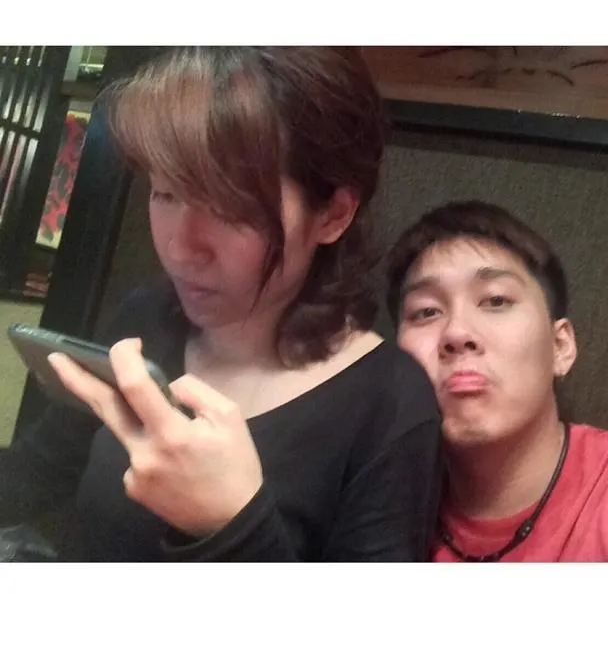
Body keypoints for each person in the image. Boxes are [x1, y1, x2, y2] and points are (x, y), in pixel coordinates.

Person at [0, 47, 443, 562]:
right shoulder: (148, 318)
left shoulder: (390, 404)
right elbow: (38, 470)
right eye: (165, 194)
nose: (179, 248)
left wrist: (231, 526)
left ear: (333, 214)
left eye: (230, 208)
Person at [386, 199, 608, 562]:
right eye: (426, 311)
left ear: (560, 346)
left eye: (495, 301)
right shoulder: (379, 506)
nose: (456, 333)